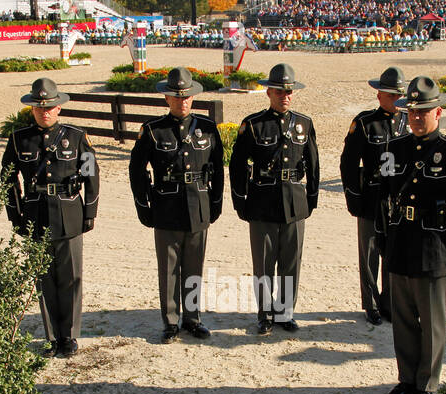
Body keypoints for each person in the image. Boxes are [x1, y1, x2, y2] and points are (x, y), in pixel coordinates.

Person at [382, 76, 446, 394]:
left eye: (423, 112)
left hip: (435, 251)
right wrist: (382, 239)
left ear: (438, 112)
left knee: (433, 325)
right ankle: (407, 379)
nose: (416, 118)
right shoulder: (394, 150)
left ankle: (427, 385)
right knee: (404, 322)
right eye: (411, 113)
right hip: (401, 247)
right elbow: (383, 197)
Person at [1, 77, 99, 357]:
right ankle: (52, 336)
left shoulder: (77, 137)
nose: (45, 112)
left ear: (59, 108)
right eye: (39, 107)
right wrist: (15, 214)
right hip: (35, 216)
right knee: (44, 279)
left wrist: (89, 212)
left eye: (50, 107)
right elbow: (8, 179)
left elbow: (91, 174)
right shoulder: (19, 140)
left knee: (70, 278)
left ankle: (69, 336)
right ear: (32, 109)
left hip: (69, 214)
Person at [128, 66, 224, 342]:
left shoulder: (207, 128)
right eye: (176, 97)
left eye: (186, 97)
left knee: (194, 265)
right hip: (166, 208)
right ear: (167, 99)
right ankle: (170, 321)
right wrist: (143, 205)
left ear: (192, 97)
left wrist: (215, 203)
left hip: (198, 207)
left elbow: (217, 169)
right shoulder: (153, 130)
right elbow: (137, 169)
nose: (182, 101)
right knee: (169, 268)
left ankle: (192, 319)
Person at [229, 63, 320, 334]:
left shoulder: (304, 123)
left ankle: (285, 312)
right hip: (262, 201)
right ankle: (265, 314)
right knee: (265, 264)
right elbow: (237, 165)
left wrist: (311, 199)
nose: (285, 96)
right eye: (279, 91)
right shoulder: (254, 124)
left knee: (291, 264)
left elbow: (313, 165)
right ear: (268, 92)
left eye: (289, 91)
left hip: (294, 203)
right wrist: (240, 200)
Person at [340, 66, 410, 325]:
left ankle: (390, 303)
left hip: (398, 199)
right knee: (369, 252)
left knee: (393, 252)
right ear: (379, 95)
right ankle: (370, 304)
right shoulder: (365, 122)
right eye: (391, 95)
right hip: (372, 195)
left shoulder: (407, 122)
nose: (396, 99)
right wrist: (353, 197)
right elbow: (348, 163)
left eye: (399, 95)